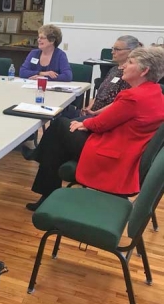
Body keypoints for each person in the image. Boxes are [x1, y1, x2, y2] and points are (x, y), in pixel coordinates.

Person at [24, 46, 164, 211]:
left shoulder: (133, 97)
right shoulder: (156, 92)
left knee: (60, 125)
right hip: (127, 148)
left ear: (144, 70)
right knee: (59, 139)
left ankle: (40, 163)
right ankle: (44, 180)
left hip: (113, 153)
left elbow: (100, 124)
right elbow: (111, 119)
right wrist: (83, 123)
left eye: (130, 62)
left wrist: (84, 124)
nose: (124, 66)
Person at [79, 35, 142, 117]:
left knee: (63, 123)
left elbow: (119, 104)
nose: (112, 52)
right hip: (93, 113)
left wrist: (94, 113)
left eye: (117, 49)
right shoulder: (114, 69)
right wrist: (89, 108)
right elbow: (100, 93)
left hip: (105, 116)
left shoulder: (129, 75)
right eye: (113, 48)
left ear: (131, 51)